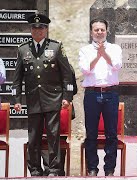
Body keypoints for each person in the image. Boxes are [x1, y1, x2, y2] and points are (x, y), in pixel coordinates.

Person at [12, 13, 74, 176]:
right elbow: (17, 78)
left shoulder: (56, 47)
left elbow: (67, 74)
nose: (37, 31)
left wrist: (67, 97)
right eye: (34, 28)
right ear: (31, 30)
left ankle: (53, 168)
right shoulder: (23, 49)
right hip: (33, 100)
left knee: (53, 136)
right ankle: (34, 169)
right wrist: (17, 99)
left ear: (46, 30)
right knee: (33, 137)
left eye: (40, 29)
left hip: (53, 99)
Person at [79, 18, 122, 176]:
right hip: (92, 93)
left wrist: (105, 54)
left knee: (111, 133)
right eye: (96, 30)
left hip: (111, 93)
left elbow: (117, 65)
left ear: (107, 31)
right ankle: (92, 168)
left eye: (102, 29)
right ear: (91, 32)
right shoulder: (85, 50)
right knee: (91, 133)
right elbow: (85, 70)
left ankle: (109, 169)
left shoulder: (115, 48)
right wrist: (98, 55)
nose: (99, 32)